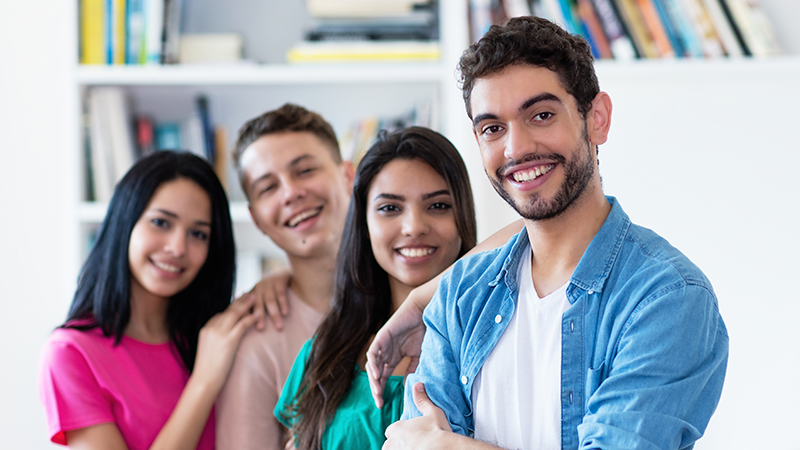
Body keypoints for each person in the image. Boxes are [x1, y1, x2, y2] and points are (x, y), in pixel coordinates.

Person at [371, 17, 729, 450]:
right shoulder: (461, 296)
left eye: (541, 115)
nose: (516, 148)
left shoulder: (666, 298)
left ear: (596, 118)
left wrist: (451, 446)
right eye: (492, 128)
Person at [38, 151, 258, 450]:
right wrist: (204, 381)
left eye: (198, 233)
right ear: (125, 222)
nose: (178, 247)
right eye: (161, 222)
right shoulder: (72, 353)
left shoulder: (217, 334)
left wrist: (277, 282)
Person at [275, 126, 477, 450]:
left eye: (438, 205)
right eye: (390, 208)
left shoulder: (487, 340)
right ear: (365, 226)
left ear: (462, 217)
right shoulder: (324, 351)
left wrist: (421, 302)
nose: (414, 227)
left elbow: (528, 232)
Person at [215, 103, 355, 450]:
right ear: (257, 218)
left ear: (349, 176)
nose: (291, 193)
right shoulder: (254, 342)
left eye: (305, 170)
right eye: (268, 188)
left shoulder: (415, 295)